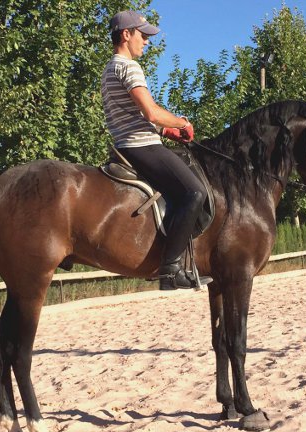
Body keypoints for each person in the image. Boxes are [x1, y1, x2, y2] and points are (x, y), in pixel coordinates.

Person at [102, 10, 211, 290]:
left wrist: (167, 131)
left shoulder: (108, 70)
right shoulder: (129, 67)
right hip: (141, 146)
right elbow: (150, 112)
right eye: (143, 35)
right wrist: (182, 123)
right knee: (194, 192)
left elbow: (132, 116)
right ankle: (171, 269)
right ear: (126, 35)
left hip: (128, 144)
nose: (147, 41)